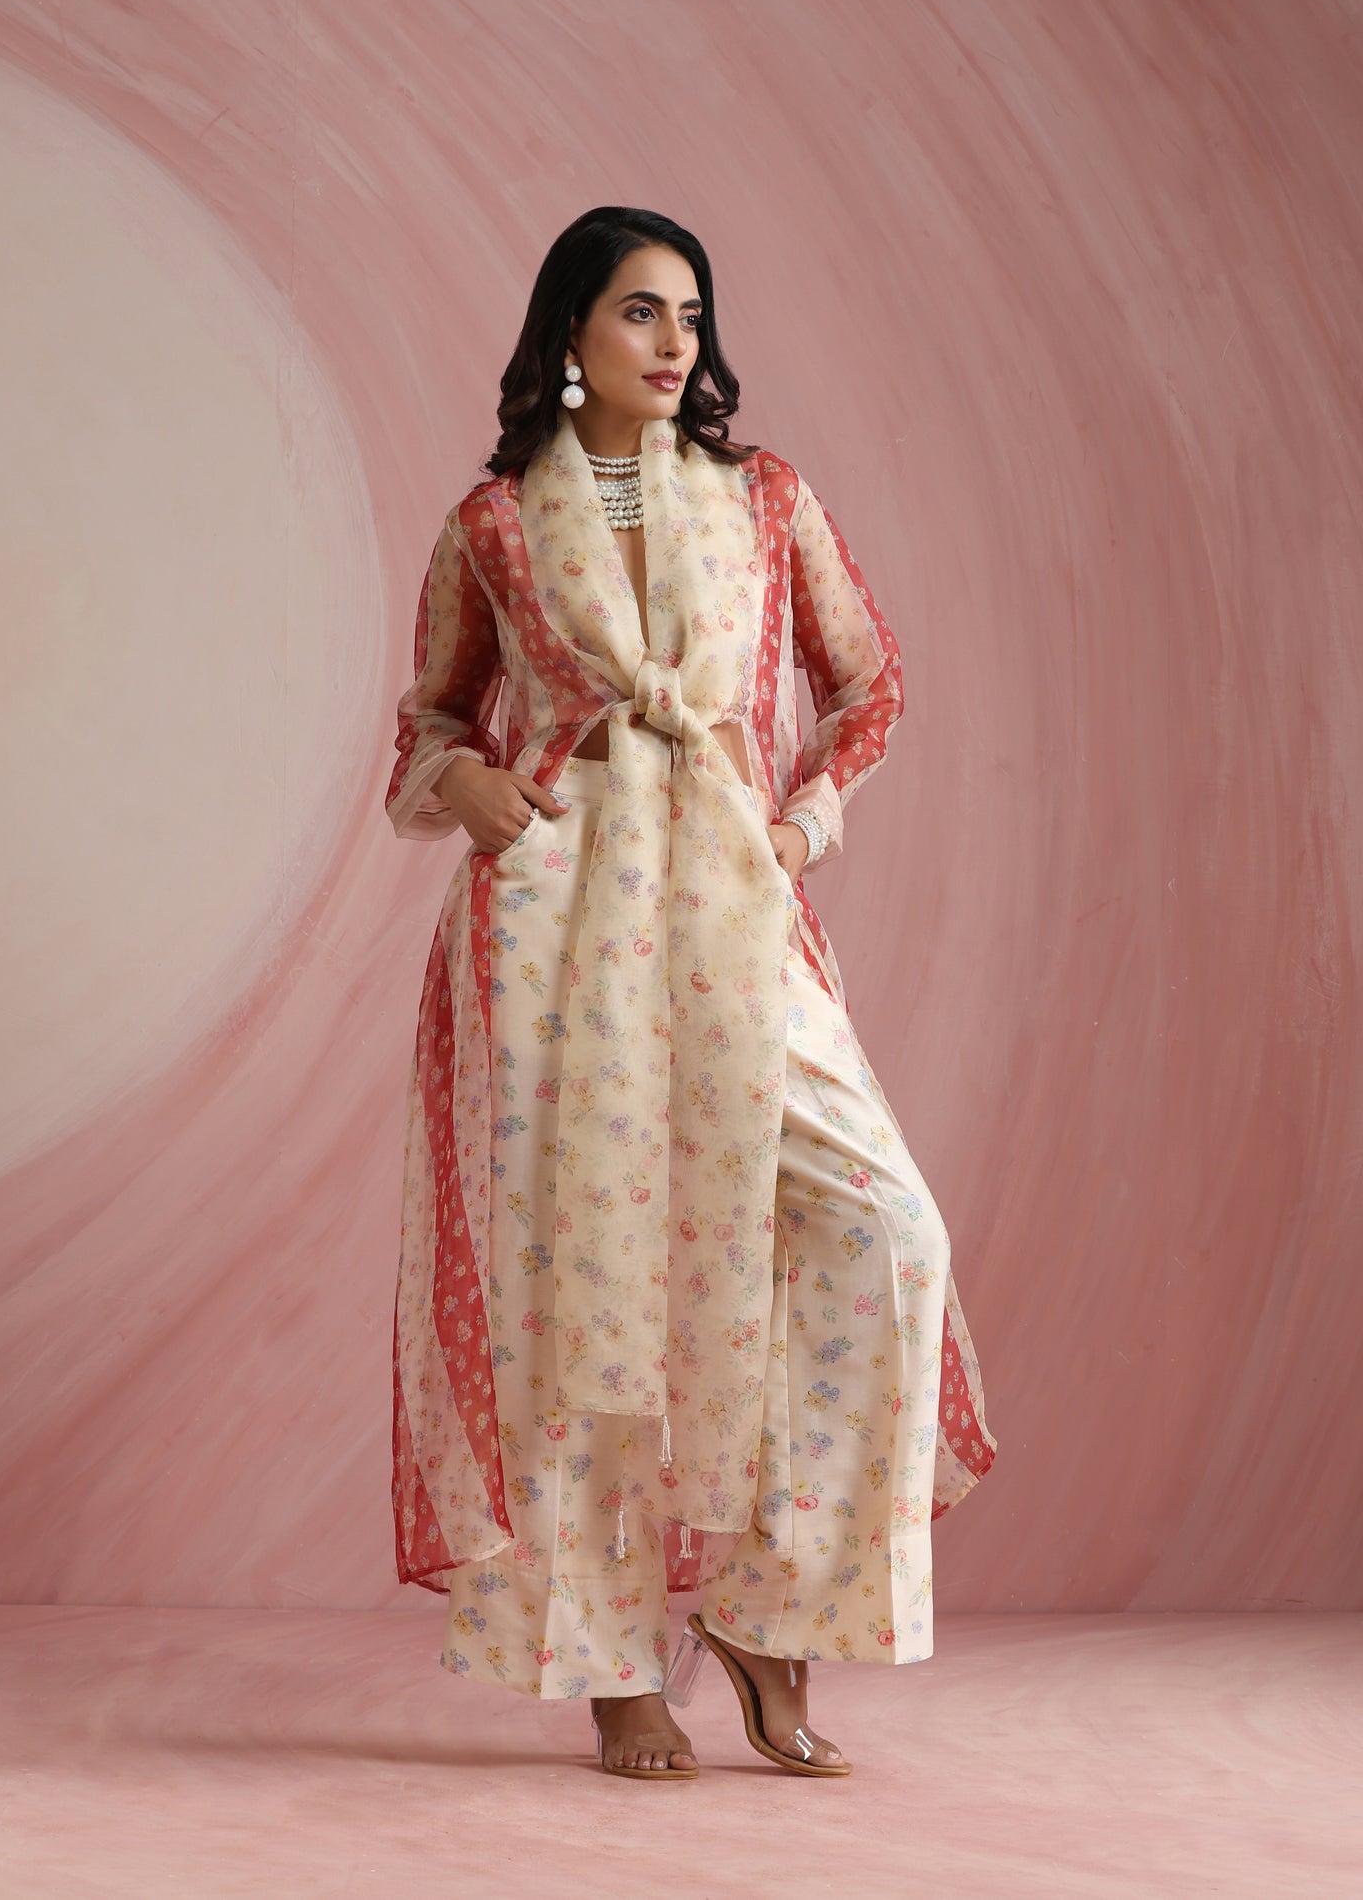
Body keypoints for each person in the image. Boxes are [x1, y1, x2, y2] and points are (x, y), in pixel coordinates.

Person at [384, 205, 997, 1780]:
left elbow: (871, 684)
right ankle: (609, 1669)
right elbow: (429, 720)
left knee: (888, 1228)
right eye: (643, 313)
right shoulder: (494, 526)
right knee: (582, 1290)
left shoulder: (763, 499)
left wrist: (802, 823)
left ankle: (769, 1611)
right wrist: (469, 788)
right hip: (553, 925)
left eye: (692, 316)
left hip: (730, 907)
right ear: (570, 335)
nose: (677, 344)